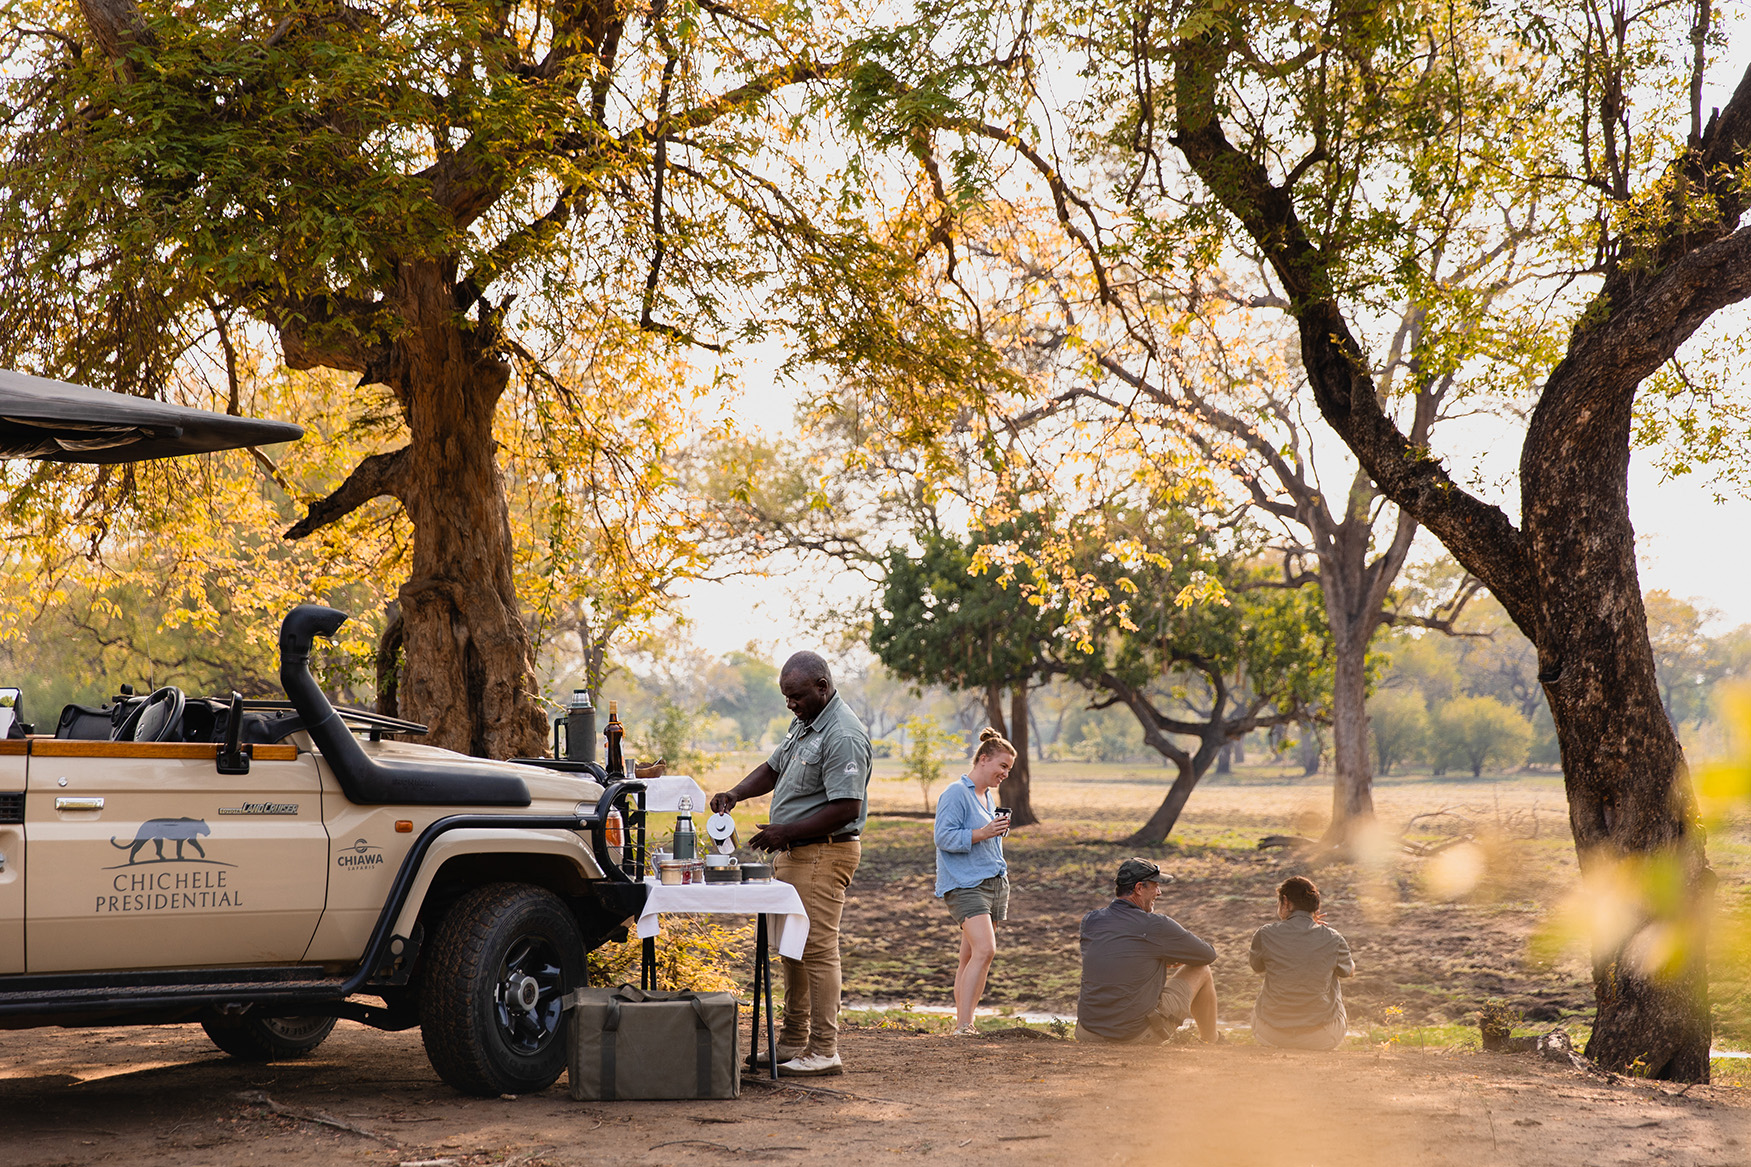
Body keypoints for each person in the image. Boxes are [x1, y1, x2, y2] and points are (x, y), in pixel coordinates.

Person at [710, 650, 871, 1077]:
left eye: (796, 696)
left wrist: (786, 832)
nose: (790, 704)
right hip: (797, 854)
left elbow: (847, 807)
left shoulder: (843, 734)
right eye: (786, 697)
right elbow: (773, 767)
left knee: (816, 949)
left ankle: (824, 1049)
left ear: (822, 686)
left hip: (824, 851)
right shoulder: (805, 723)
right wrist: (736, 794)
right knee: (792, 949)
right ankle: (794, 1041)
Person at [1076, 857, 1221, 1044]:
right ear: (1139, 888)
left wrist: (1155, 959)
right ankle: (1211, 1041)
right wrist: (1170, 958)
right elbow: (1207, 954)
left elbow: (1116, 957)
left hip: (1087, 1033)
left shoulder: (1091, 920)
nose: (1159, 892)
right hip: (1134, 1035)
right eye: (1155, 886)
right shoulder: (1156, 925)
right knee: (1202, 969)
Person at [933, 728, 1016, 1035]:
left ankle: (965, 1023)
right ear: (984, 760)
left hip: (993, 881)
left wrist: (994, 830)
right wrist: (983, 832)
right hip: (965, 884)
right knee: (985, 950)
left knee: (970, 956)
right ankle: (964, 1026)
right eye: (1002, 766)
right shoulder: (956, 792)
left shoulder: (987, 795)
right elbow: (943, 837)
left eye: (1008, 769)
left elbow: (979, 834)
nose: (1005, 773)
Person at [1248, 875, 1354, 1050]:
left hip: (1270, 1035)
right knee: (1333, 973)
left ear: (1286, 902)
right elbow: (1348, 971)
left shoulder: (1265, 934)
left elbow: (1257, 967)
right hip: (1321, 1039)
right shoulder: (1333, 938)